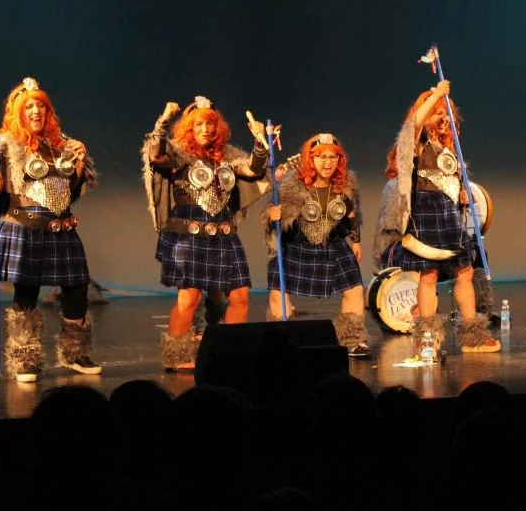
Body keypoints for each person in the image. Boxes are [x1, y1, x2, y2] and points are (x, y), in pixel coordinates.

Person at [0, 76, 101, 381]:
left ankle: (75, 354)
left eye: (40, 106)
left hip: (61, 228)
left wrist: (80, 167)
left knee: (77, 288)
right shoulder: (6, 144)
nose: (35, 111)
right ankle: (25, 359)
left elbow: (69, 192)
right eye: (28, 107)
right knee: (26, 291)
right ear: (19, 113)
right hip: (25, 226)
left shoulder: (60, 144)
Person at [142, 95, 270, 371]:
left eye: (210, 124)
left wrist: (260, 142)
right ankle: (176, 355)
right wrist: (163, 122)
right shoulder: (177, 155)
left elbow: (253, 169)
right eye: (198, 124)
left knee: (240, 296)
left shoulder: (227, 157)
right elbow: (156, 155)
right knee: (190, 299)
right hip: (189, 235)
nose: (205, 129)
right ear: (189, 127)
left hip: (224, 235)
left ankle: (230, 352)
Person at [377, 79, 500, 353]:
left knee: (465, 271)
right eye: (438, 113)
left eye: (447, 113)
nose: (443, 118)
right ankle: (427, 339)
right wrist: (435, 96)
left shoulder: (449, 147)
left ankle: (473, 337)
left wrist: (460, 192)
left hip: (450, 216)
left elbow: (448, 178)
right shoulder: (419, 142)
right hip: (427, 213)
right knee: (429, 275)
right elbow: (413, 125)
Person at [262, 133, 370, 357]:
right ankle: (283, 339)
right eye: (321, 157)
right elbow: (272, 216)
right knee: (279, 291)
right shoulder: (292, 186)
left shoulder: (346, 186)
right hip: (296, 243)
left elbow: (352, 213)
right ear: (310, 159)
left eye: (332, 157)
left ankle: (353, 339)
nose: (327, 162)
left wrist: (356, 240)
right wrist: (272, 216)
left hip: (332, 242)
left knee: (355, 289)